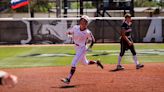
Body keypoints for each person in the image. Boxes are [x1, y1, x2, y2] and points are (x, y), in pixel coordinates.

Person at [61, 15, 104, 84]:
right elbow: (70, 32)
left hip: (82, 48)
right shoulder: (75, 27)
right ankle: (97, 62)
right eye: (82, 20)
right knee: (85, 63)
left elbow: (93, 40)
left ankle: (68, 79)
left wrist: (90, 47)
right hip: (76, 47)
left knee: (74, 62)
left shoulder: (87, 32)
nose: (82, 21)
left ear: (86, 23)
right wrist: (68, 33)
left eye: (84, 21)